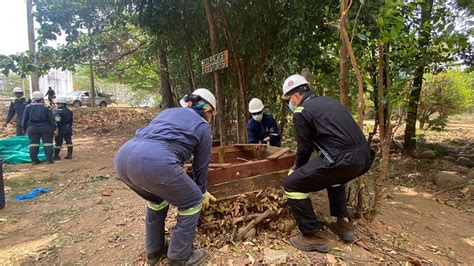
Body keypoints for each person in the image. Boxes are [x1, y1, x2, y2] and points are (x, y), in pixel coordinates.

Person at [115, 88, 217, 265]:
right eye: (211, 114)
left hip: (123, 158)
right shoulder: (202, 126)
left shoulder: (168, 112)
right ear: (207, 111)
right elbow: (201, 165)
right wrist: (201, 191)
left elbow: (162, 138)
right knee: (192, 201)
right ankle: (179, 256)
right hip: (155, 162)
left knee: (157, 201)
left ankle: (154, 251)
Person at [281, 74, 374, 253]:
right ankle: (343, 224)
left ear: (296, 96)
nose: (289, 104)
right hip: (364, 159)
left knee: (291, 185)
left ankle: (310, 236)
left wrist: (295, 169)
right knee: (335, 177)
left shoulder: (302, 111)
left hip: (342, 159)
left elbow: (304, 148)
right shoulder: (330, 102)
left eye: (288, 100)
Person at [22, 91, 55, 165]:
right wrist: (54, 127)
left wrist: (23, 128)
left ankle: (34, 160)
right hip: (45, 127)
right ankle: (49, 160)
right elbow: (51, 118)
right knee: (48, 143)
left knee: (33, 144)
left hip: (32, 128)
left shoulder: (28, 107)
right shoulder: (46, 107)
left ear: (33, 98)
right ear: (42, 98)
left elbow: (24, 119)